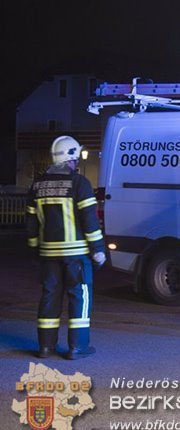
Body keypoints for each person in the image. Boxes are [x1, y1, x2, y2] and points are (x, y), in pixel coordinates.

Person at [25, 136, 106, 360]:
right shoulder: (79, 183)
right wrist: (98, 249)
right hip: (76, 256)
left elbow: (31, 224)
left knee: (49, 298)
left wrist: (34, 249)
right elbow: (89, 220)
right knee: (80, 298)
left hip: (48, 256)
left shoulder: (37, 185)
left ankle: (46, 347)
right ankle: (78, 347)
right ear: (71, 157)